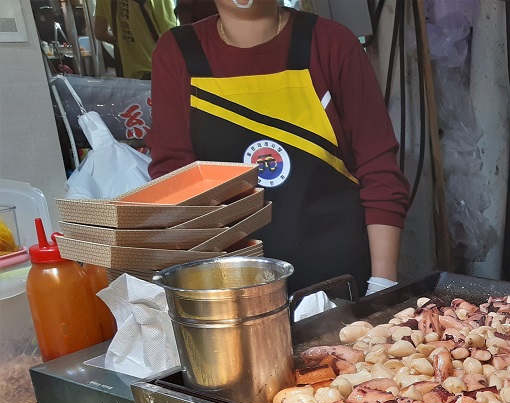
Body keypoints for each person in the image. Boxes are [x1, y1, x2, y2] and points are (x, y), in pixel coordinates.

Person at [147, 0, 408, 295]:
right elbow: (175, 183)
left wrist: (383, 286)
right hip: (233, 291)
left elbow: (379, 170)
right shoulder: (176, 53)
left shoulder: (331, 43)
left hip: (341, 284)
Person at [94, 0, 177, 79]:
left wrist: (122, 42)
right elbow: (174, 40)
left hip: (128, 79)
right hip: (160, 76)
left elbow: (100, 33)